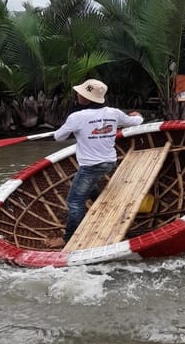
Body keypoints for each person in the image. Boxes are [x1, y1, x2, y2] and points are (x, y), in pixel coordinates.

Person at [45, 78, 143, 249]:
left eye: (80, 93)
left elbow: (58, 137)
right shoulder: (114, 113)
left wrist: (71, 128)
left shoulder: (77, 117)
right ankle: (103, 204)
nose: (77, 95)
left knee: (75, 201)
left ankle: (68, 239)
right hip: (109, 162)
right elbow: (136, 121)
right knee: (89, 185)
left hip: (90, 166)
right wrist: (138, 115)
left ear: (86, 99)